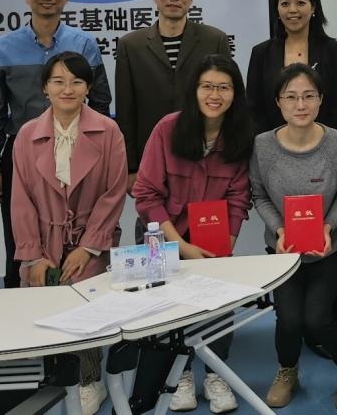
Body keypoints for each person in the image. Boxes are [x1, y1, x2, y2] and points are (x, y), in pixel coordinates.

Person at [132, 54, 254, 414]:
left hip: (213, 236)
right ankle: (179, 374)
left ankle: (216, 373)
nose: (215, 95)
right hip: (162, 234)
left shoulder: (240, 135)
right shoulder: (167, 128)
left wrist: (225, 246)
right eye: (207, 86)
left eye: (224, 87)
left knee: (219, 303)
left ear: (235, 93)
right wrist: (181, 245)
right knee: (168, 307)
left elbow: (238, 198)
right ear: (194, 90)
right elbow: (146, 195)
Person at [0, 0, 111, 288]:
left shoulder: (84, 43)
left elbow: (100, 102)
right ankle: (20, 310)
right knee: (21, 241)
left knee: (79, 233)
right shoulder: (3, 47)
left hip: (79, 150)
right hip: (23, 154)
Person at [11, 52, 128, 415]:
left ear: (88, 88)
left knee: (85, 302)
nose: (67, 89)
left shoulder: (108, 131)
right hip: (43, 241)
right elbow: (21, 199)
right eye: (58, 81)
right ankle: (52, 376)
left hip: (92, 239)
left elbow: (113, 193)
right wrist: (33, 254)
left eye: (77, 82)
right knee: (45, 299)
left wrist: (89, 248)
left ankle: (90, 379)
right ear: (45, 88)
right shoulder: (27, 135)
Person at [249, 64, 337, 410]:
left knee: (317, 319)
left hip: (329, 246)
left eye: (308, 96)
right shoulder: (262, 145)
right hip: (283, 248)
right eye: (291, 97)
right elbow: (259, 195)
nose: (300, 105)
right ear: (278, 102)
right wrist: (279, 230)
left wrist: (328, 226)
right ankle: (288, 371)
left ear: (320, 100)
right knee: (288, 319)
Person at [116, 0, 229, 197]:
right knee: (154, 217)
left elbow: (228, 100)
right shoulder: (131, 45)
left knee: (205, 218)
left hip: (205, 154)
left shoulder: (215, 40)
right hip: (152, 157)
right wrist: (131, 168)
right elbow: (126, 112)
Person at [247, 0, 337, 134]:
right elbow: (254, 109)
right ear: (277, 9)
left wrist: (325, 143)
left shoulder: (332, 50)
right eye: (285, 3)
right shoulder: (261, 53)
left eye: (300, 3)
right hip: (272, 144)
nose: (292, 10)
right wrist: (271, 143)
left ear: (313, 7)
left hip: (324, 143)